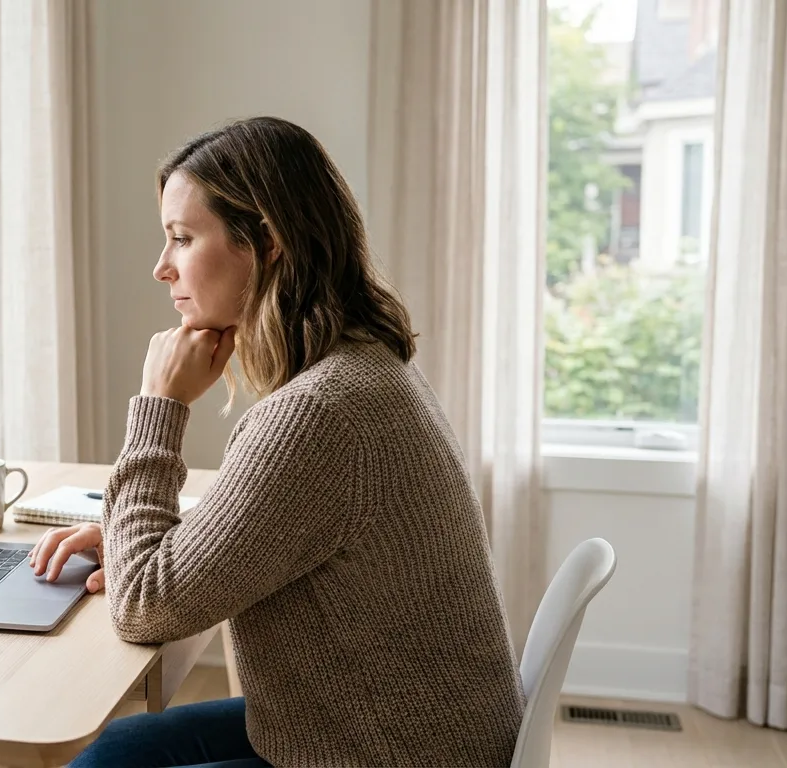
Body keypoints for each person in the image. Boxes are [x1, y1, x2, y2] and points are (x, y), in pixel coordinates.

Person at [29, 116, 524, 768]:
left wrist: (160, 404)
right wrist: (139, 536)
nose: (160, 268)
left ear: (268, 243)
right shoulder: (364, 362)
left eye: (181, 238)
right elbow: (295, 523)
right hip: (417, 732)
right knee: (119, 746)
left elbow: (144, 607)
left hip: (394, 753)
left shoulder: (316, 414)